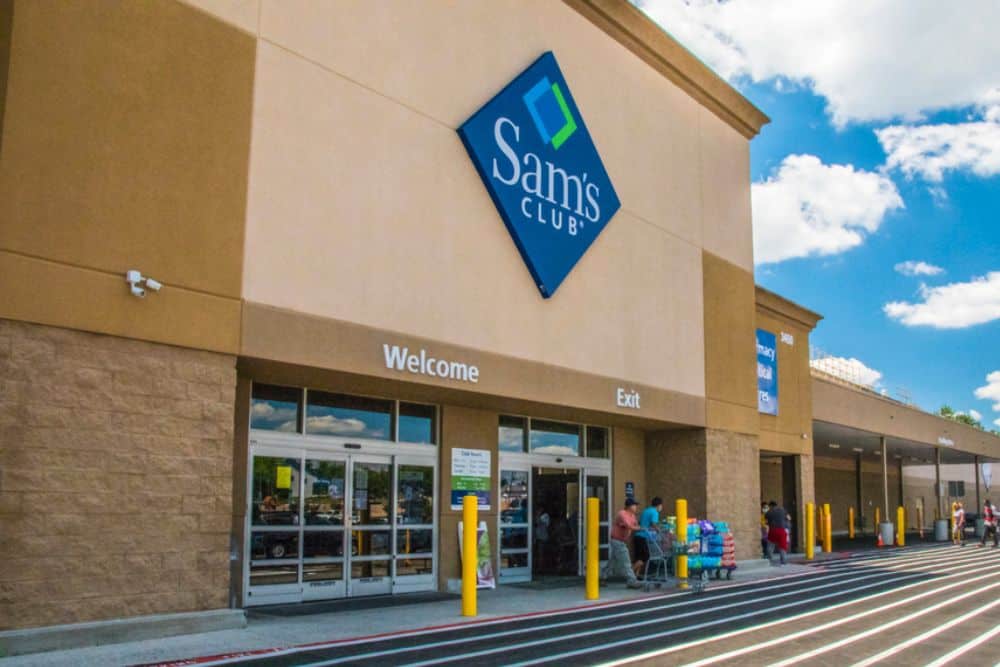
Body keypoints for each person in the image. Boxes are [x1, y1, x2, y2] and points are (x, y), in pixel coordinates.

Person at [601, 498, 642, 588]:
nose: (636, 507)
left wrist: (638, 526)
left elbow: (635, 524)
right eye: (634, 505)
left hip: (622, 541)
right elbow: (629, 525)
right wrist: (638, 528)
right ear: (629, 506)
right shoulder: (622, 514)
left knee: (613, 561)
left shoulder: (632, 515)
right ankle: (631, 581)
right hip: (617, 541)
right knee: (626, 561)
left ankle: (602, 576)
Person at [634, 497, 663, 578]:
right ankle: (630, 572)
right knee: (645, 557)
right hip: (644, 536)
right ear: (659, 505)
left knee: (639, 558)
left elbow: (642, 522)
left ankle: (635, 576)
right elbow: (654, 523)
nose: (661, 508)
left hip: (638, 536)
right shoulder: (655, 512)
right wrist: (658, 530)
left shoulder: (646, 510)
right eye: (661, 506)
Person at [765, 500, 789, 565]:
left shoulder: (768, 512)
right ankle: (783, 560)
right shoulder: (783, 510)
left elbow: (766, 520)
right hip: (782, 530)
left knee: (770, 545)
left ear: (770, 506)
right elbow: (788, 518)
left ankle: (769, 559)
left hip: (772, 530)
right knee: (782, 546)